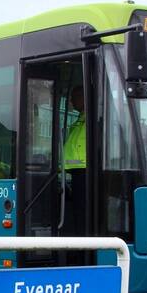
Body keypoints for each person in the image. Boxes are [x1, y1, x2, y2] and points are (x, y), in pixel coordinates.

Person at [62, 87, 86, 235]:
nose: (71, 101)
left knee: (81, 215)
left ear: (84, 97)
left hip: (85, 174)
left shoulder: (93, 120)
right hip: (75, 174)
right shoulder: (79, 121)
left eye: (75, 96)